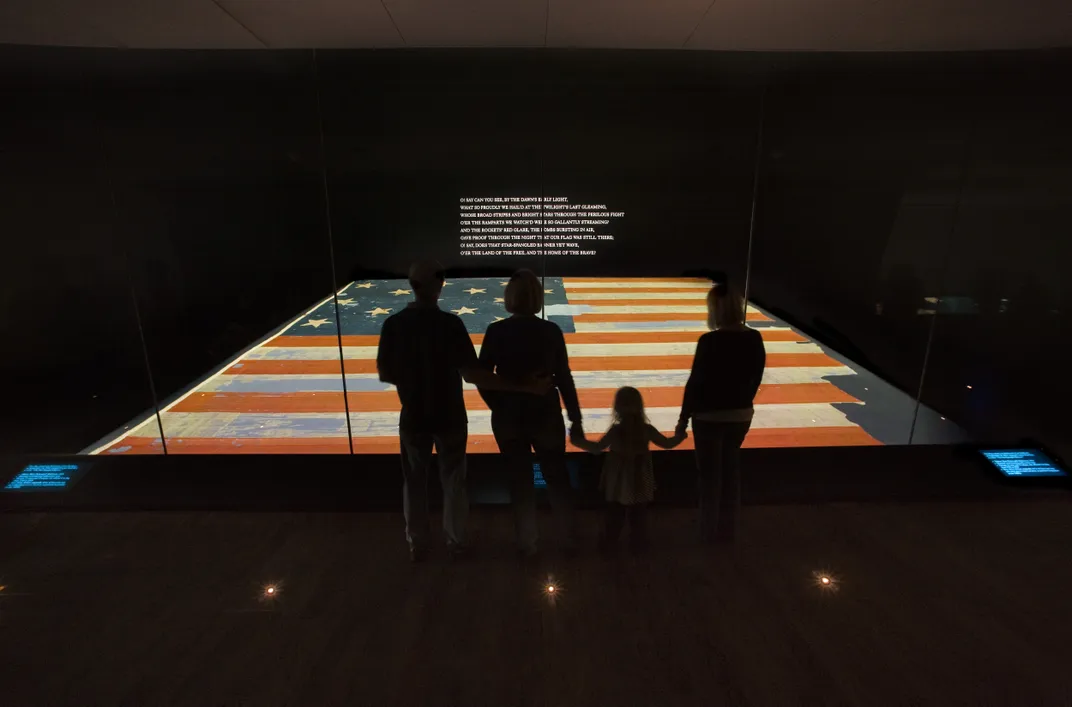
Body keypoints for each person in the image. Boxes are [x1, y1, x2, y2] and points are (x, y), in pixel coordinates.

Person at [376, 261, 547, 563]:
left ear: (412, 286)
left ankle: (417, 544)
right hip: (450, 415)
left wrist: (415, 379)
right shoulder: (450, 325)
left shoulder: (393, 325)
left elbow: (386, 373)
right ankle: (455, 541)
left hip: (413, 415)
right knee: (453, 480)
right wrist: (524, 387)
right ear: (438, 286)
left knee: (414, 481)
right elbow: (474, 375)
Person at [476, 269, 583, 558]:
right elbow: (563, 376)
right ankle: (568, 540)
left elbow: (481, 377)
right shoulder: (550, 331)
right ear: (537, 298)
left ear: (509, 298)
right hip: (546, 415)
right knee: (557, 478)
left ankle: (527, 544)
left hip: (508, 419)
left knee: (520, 481)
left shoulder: (496, 331)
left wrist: (497, 405)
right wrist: (575, 416)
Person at [675, 284, 766, 544]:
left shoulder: (709, 341)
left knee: (710, 477)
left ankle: (707, 531)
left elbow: (696, 383)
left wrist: (683, 420)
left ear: (714, 310)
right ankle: (727, 533)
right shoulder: (754, 338)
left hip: (708, 417)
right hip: (740, 416)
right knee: (730, 473)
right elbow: (755, 377)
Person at [571, 386, 685, 553]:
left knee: (615, 514)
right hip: (640, 478)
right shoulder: (646, 429)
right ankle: (639, 545)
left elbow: (597, 448)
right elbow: (668, 444)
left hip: (618, 480)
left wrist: (576, 440)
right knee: (638, 515)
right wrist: (680, 434)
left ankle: (610, 544)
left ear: (616, 407)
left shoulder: (617, 431)